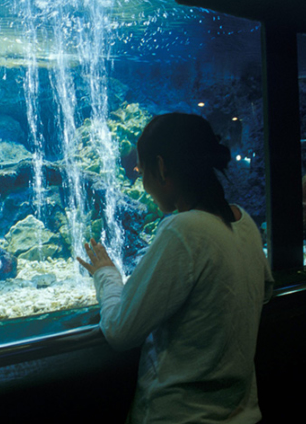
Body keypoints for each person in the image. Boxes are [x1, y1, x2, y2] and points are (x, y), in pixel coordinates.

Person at [77, 113, 274, 424]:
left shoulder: (183, 230)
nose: (142, 184)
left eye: (141, 170)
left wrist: (106, 274)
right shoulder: (245, 224)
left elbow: (120, 330)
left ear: (162, 167)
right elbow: (259, 293)